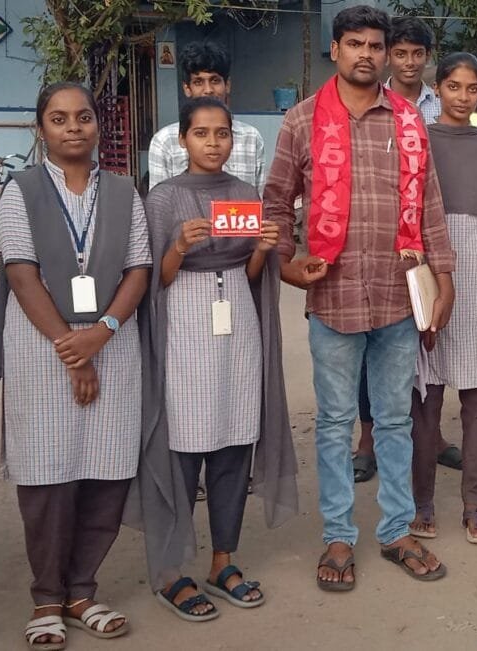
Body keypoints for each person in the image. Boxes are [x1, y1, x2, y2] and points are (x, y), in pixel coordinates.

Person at [264, 4, 454, 590]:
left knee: (395, 419)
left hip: (397, 294)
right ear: (336, 50)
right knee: (334, 422)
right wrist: (287, 266)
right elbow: (276, 203)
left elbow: (430, 205)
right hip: (335, 298)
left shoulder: (407, 120)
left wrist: (444, 278)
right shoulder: (302, 120)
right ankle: (339, 536)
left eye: (375, 45)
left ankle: (395, 530)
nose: (366, 54)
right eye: (355, 44)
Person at [0, 82, 149, 647]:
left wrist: (100, 334)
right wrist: (71, 347)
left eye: (83, 117)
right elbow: (21, 273)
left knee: (107, 469)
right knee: (47, 472)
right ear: (41, 129)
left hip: (113, 344)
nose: (73, 127)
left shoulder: (125, 191)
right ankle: (46, 598)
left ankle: (82, 590)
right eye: (59, 119)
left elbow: (138, 269)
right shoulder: (21, 191)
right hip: (42, 350)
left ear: (98, 126)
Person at [143, 96, 296, 622]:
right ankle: (171, 570)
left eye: (222, 133)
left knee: (235, 439)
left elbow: (251, 276)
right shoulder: (163, 198)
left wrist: (263, 249)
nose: (213, 143)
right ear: (182, 139)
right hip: (184, 322)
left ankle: (222, 561)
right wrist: (179, 248)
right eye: (202, 133)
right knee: (184, 443)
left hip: (237, 324)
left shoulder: (244, 193)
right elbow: (153, 280)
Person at [353, 15, 461, 485]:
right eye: (400, 53)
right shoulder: (370, 102)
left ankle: (431, 436)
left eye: (418, 54)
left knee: (428, 337)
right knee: (370, 342)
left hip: (432, 231)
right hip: (381, 244)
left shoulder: (443, 104)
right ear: (386, 57)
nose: (409, 62)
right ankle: (368, 438)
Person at [412, 53, 477, 542]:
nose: (463, 96)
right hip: (424, 265)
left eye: (472, 89)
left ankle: (475, 504)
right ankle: (422, 504)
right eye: (454, 86)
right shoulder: (417, 140)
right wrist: (415, 269)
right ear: (439, 89)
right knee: (423, 395)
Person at [148, 41, 265, 190]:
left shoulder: (251, 138)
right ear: (187, 88)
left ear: (227, 85)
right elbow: (159, 200)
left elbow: (259, 199)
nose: (208, 90)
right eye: (198, 82)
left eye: (215, 81)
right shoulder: (165, 142)